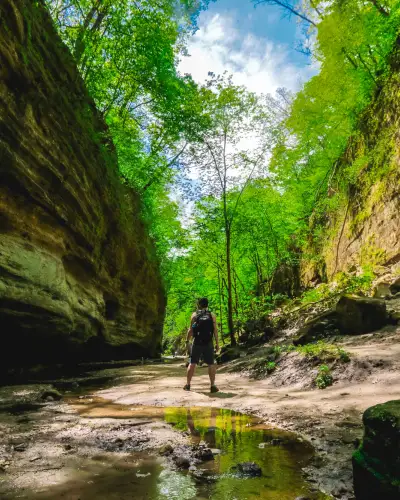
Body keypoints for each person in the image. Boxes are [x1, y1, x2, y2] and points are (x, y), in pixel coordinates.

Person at [184, 297, 220, 393]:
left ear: (198, 305)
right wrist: (217, 343)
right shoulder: (212, 315)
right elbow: (215, 330)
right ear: (207, 305)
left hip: (197, 342)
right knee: (211, 364)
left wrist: (187, 341)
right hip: (209, 342)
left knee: (192, 363)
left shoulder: (194, 315)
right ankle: (212, 386)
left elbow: (190, 330)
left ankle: (188, 385)